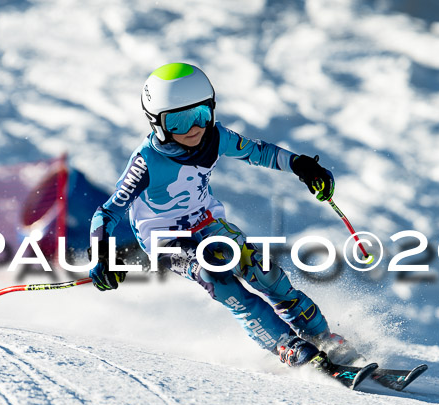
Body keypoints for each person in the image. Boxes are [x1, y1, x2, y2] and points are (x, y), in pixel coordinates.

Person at [89, 62, 361, 369]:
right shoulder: (146, 161)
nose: (194, 129)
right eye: (178, 121)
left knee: (264, 274)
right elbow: (107, 212)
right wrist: (102, 256)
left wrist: (302, 166)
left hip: (206, 223)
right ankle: (287, 345)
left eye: (201, 115)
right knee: (218, 277)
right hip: (166, 241)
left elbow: (259, 152)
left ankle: (322, 337)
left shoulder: (215, 137)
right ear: (157, 124)